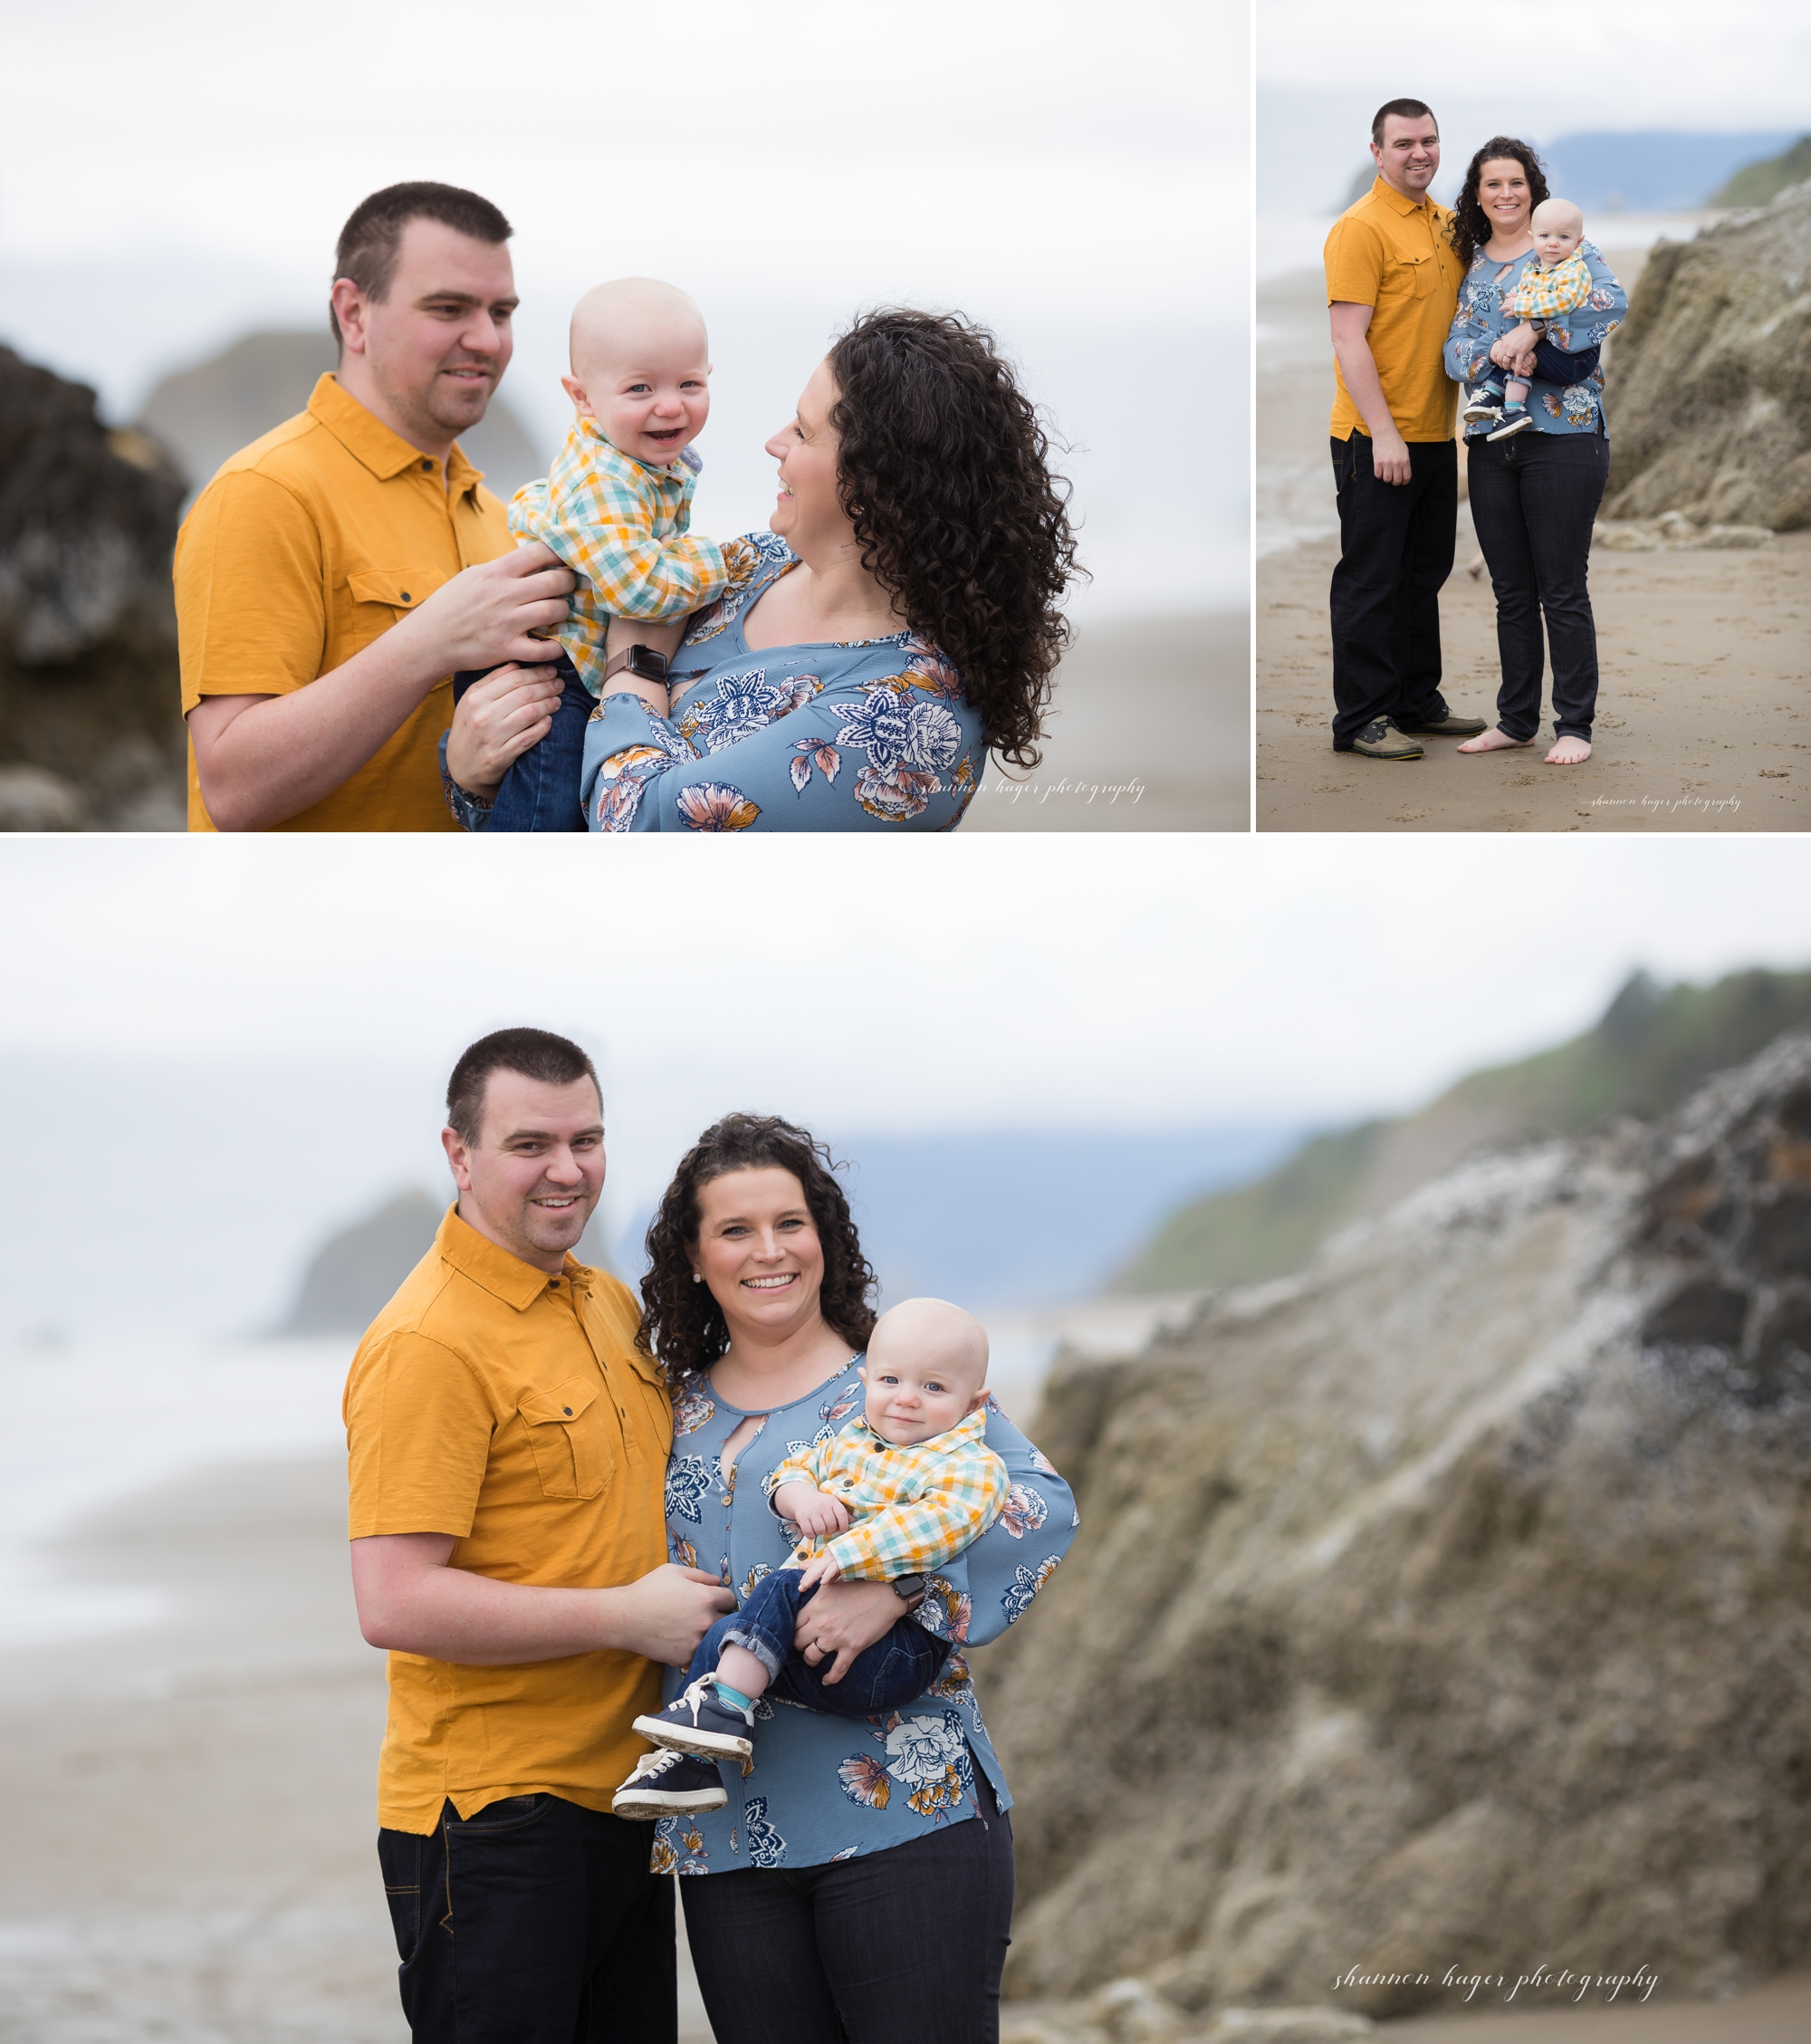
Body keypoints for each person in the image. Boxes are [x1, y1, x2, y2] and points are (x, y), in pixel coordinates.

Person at [633, 1114, 1078, 2043]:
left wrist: (900, 1585)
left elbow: (1040, 1508)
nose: (769, 1251)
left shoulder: (897, 1384)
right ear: (693, 1253)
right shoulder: (664, 1411)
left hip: (901, 1810)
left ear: (824, 1237)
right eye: (734, 1229)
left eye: (790, 1222)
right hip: (726, 1834)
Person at [342, 1028, 734, 2042]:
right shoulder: (428, 1342)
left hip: (627, 1794)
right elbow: (394, 1600)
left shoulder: (605, 1304)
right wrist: (624, 1617)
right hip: (494, 1815)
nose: (567, 1170)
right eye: (530, 1144)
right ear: (459, 1153)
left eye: (587, 1138)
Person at [439, 308, 1082, 831]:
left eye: (802, 432)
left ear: (879, 482)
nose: (774, 443)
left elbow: (643, 830)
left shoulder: (907, 718)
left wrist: (634, 665)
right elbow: (547, 804)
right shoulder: (749, 565)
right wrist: (471, 776)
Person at [174, 182, 574, 831]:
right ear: (354, 314)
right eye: (449, 308)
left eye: (501, 312)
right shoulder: (265, 492)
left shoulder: (505, 521)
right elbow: (234, 787)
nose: (487, 339)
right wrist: (428, 644)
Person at [612, 1297, 1009, 1818]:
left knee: (780, 1587)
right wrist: (801, 1499)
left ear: (975, 1402)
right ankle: (694, 1765)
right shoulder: (852, 1442)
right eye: (891, 1381)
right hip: (819, 1653)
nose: (907, 1399)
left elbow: (939, 1524)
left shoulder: (969, 1462)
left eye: (933, 1387)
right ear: (867, 1381)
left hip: (894, 1657)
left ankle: (726, 1708)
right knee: (725, 1634)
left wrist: (850, 1557)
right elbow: (793, 1470)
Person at [453, 277, 730, 831]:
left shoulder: (636, 456)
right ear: (582, 397)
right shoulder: (608, 478)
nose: (670, 405)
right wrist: (715, 561)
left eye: (689, 383)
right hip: (547, 673)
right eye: (640, 389)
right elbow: (641, 589)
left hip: (567, 656)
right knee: (546, 815)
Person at [1441, 139, 1628, 766]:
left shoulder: (1569, 247)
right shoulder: (1474, 264)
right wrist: (1498, 353)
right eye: (1492, 184)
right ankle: (1517, 720)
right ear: (1478, 194)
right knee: (1511, 590)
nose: (1506, 194)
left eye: (1516, 182)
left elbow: (1609, 306)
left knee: (1562, 587)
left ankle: (1574, 724)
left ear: (1534, 188)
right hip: (1492, 443)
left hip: (1565, 438)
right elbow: (1454, 349)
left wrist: (1533, 330)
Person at [1324, 100, 1489, 762]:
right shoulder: (1359, 229)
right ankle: (1360, 718)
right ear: (1378, 151)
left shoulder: (1448, 225)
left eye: (1429, 141)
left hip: (1434, 432)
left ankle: (1416, 702)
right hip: (1375, 437)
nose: (1419, 153)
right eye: (1404, 143)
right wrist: (1384, 434)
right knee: (1371, 579)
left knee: (1425, 573)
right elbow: (1347, 337)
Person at [1460, 199, 1597, 439]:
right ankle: (1511, 408)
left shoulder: (1575, 268)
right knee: (1520, 351)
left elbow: (1565, 301)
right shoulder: (1534, 269)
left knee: (1522, 350)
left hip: (1575, 357)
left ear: (1579, 242)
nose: (1553, 243)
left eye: (1563, 237)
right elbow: (1527, 294)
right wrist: (1516, 298)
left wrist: (1523, 306)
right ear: (1532, 238)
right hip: (1550, 349)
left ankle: (1496, 394)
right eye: (1545, 236)